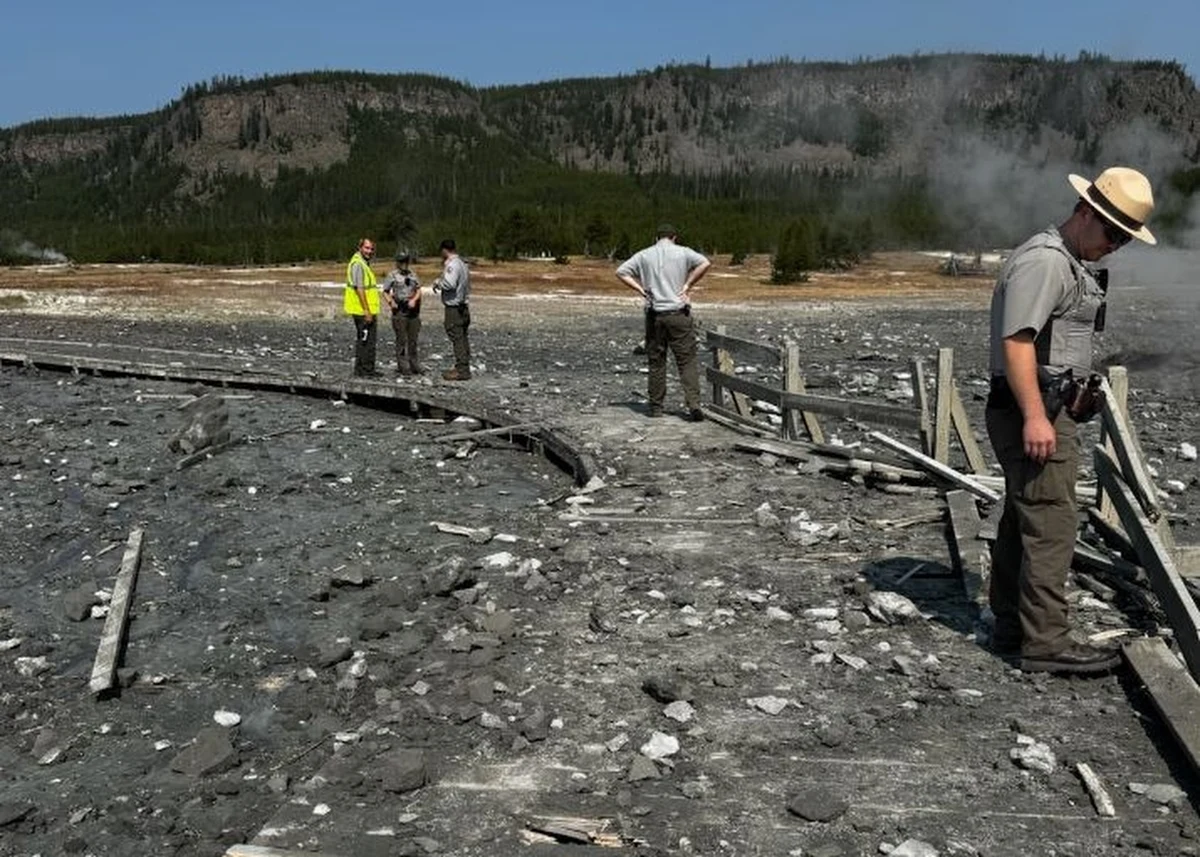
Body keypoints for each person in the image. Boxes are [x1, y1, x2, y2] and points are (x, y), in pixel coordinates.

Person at [985, 166, 1156, 675]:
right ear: (1085, 212)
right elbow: (1016, 342)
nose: (1116, 245)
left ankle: (1013, 627)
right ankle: (1046, 643)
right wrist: (1037, 416)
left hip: (1040, 406)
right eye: (1112, 233)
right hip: (1032, 410)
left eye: (1125, 238)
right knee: (1053, 522)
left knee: (1026, 517)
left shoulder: (1065, 261)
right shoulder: (1046, 262)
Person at [616, 224, 711, 421]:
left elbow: (621, 271)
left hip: (655, 313)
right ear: (674, 237)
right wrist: (687, 286)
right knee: (686, 361)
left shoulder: (643, 255)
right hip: (678, 312)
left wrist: (640, 289)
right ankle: (693, 404)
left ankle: (656, 407)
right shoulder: (684, 252)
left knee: (657, 362)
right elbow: (705, 263)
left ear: (656, 238)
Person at [434, 238, 471, 381]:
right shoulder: (462, 264)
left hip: (454, 308)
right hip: (463, 306)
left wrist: (438, 283)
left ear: (444, 250)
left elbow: (449, 283)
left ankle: (462, 369)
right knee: (462, 336)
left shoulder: (452, 265)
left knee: (457, 337)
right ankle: (463, 365)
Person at [382, 251, 423, 376]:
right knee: (401, 339)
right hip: (400, 309)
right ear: (398, 263)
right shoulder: (392, 275)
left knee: (413, 339)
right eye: (402, 261)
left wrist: (414, 300)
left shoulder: (413, 275)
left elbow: (419, 289)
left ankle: (414, 364)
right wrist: (390, 302)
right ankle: (403, 365)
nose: (404, 264)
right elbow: (385, 291)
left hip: (413, 311)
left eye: (406, 261)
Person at [344, 238, 380, 377]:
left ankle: (360, 370)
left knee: (363, 339)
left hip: (362, 309)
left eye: (371, 249)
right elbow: (360, 289)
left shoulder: (362, 262)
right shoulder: (358, 264)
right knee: (367, 341)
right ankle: (366, 370)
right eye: (366, 248)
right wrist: (367, 311)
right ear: (360, 248)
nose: (369, 251)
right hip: (362, 310)